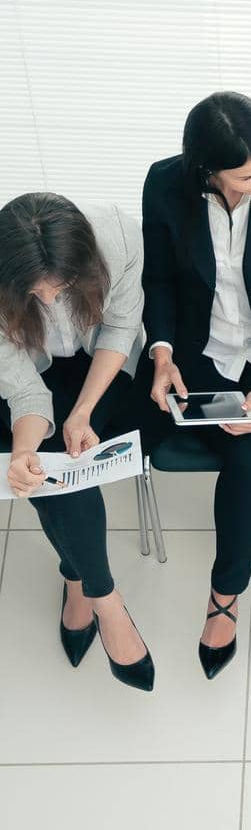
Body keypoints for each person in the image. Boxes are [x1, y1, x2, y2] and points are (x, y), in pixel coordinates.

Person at [140, 92, 251, 680]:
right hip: (202, 358)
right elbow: (160, 279)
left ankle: (222, 596)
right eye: (250, 175)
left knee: (248, 461)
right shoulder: (165, 185)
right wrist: (162, 351)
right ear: (207, 170)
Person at [0, 193, 153, 690]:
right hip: (31, 373)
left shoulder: (118, 238)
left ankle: (76, 579)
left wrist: (83, 411)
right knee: (44, 465)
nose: (46, 300)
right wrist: (24, 449)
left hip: (102, 366)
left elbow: (120, 329)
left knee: (68, 460)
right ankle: (105, 599)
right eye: (33, 292)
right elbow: (23, 387)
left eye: (59, 286)